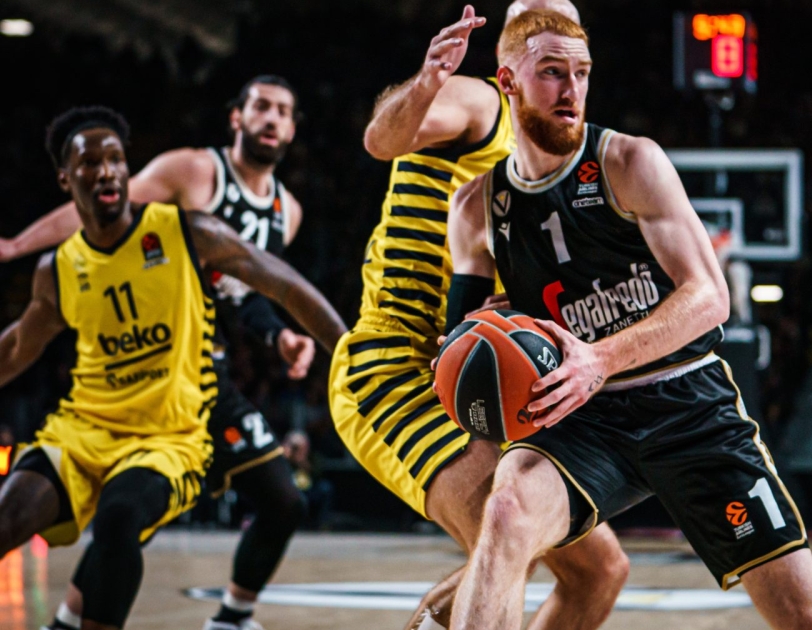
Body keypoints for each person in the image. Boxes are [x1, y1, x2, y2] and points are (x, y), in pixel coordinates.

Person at [443, 11, 812, 630]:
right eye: (552, 72)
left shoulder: (629, 161)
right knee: (506, 515)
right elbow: (462, 342)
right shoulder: (477, 207)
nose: (572, 90)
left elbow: (710, 296)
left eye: (582, 73)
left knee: (807, 620)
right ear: (507, 81)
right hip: (579, 418)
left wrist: (599, 357)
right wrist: (473, 347)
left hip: (686, 405)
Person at [332, 3, 627, 629]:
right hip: (399, 365)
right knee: (507, 541)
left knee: (599, 572)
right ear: (510, 65)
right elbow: (382, 140)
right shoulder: (480, 104)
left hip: (479, 369)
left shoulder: (562, 167)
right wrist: (429, 79)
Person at [0, 106, 346, 630]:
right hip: (83, 430)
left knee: (120, 520)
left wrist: (348, 349)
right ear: (66, 180)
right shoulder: (58, 268)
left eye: (116, 159)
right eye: (90, 163)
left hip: (171, 436)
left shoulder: (188, 232)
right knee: (9, 515)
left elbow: (283, 283)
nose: (106, 171)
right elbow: (15, 349)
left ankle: (228, 614)